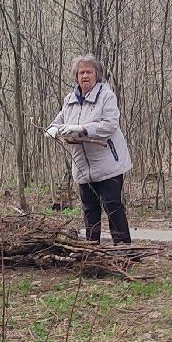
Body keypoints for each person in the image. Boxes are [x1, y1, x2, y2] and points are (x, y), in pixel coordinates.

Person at [46, 54, 133, 244]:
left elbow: (110, 125)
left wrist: (83, 129)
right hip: (82, 166)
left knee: (112, 206)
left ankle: (124, 249)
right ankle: (92, 249)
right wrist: (52, 129)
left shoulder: (106, 96)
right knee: (89, 208)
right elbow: (59, 120)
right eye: (81, 72)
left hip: (108, 164)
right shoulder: (70, 99)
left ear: (97, 75)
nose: (85, 76)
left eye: (89, 72)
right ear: (76, 76)